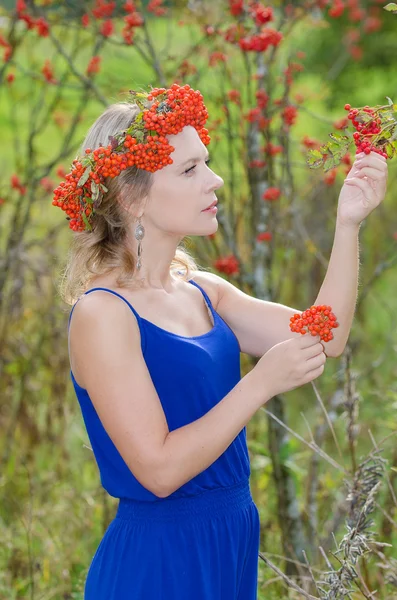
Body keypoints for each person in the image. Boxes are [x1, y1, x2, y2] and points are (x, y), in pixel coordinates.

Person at [61, 84, 388, 599]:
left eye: (206, 163)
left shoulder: (203, 291)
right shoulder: (103, 314)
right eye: (189, 170)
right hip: (159, 561)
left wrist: (348, 225)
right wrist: (259, 384)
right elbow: (160, 471)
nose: (215, 180)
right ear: (132, 197)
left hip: (230, 538)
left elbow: (325, 336)